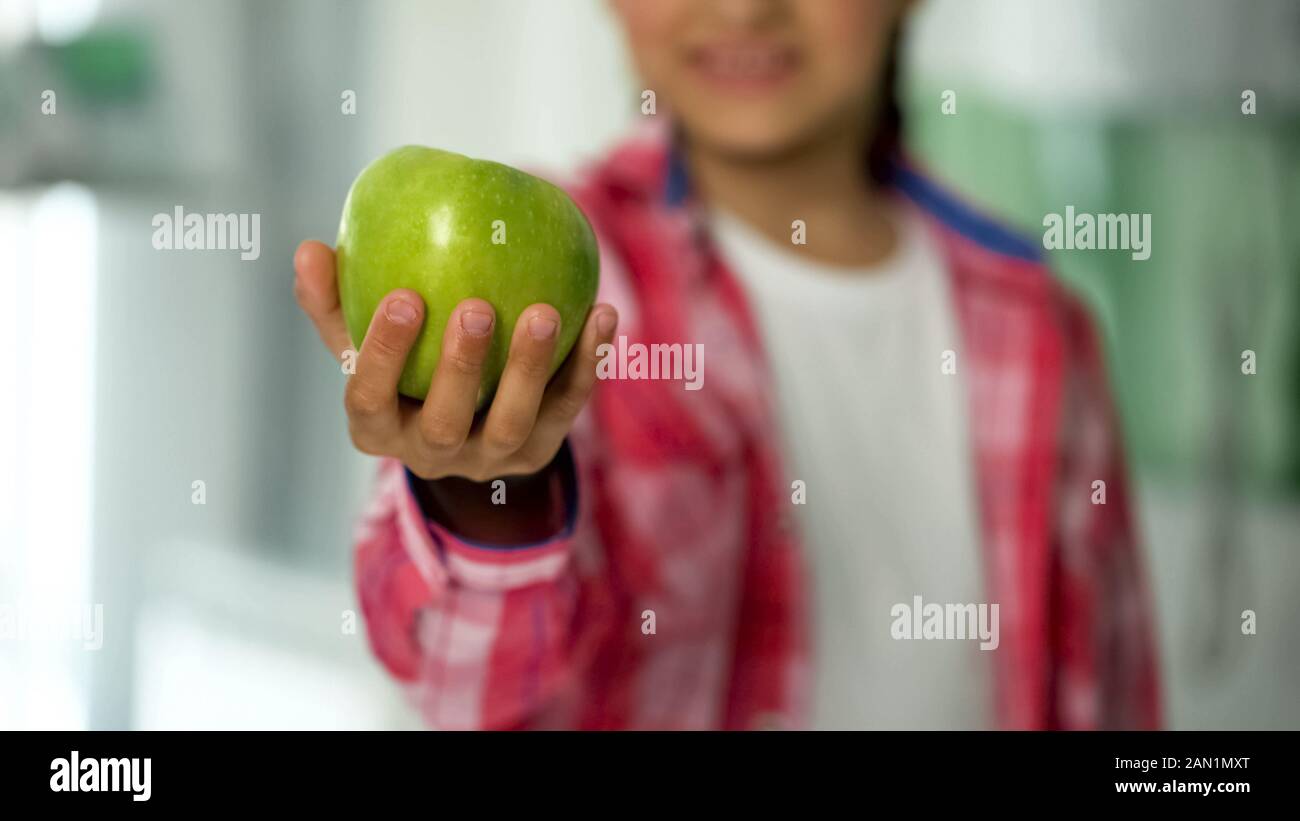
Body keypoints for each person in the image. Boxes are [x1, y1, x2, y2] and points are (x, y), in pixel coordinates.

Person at [292, 0, 1160, 729]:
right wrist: (487, 491)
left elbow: (1116, 688)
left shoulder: (1046, 330)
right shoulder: (574, 303)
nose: (744, 8)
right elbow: (463, 684)